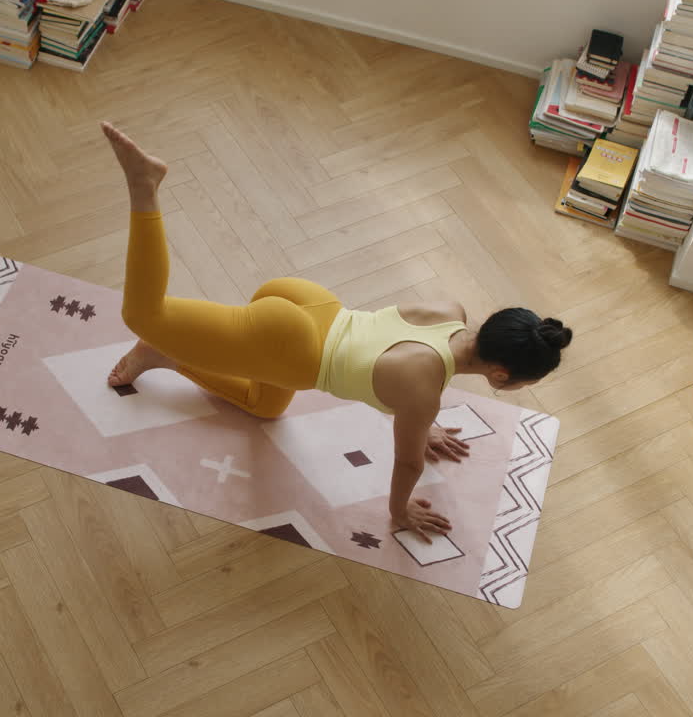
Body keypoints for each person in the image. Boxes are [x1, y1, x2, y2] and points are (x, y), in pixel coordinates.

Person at [100, 122, 572, 542]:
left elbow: (398, 364)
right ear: (500, 375)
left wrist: (422, 425)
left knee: (267, 407)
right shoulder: (424, 391)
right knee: (145, 313)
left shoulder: (450, 311)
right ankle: (145, 189)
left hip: (311, 303)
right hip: (290, 348)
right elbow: (408, 463)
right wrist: (400, 511)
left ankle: (160, 355)